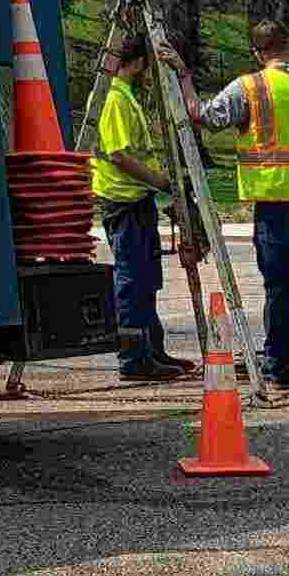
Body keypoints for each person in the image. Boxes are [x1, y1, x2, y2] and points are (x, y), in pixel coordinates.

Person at [157, 20, 289, 396]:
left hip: (274, 208)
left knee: (278, 291)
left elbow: (201, 114)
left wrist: (183, 74)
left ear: (257, 53)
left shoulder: (250, 87)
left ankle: (277, 369)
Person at [87, 31, 193, 382]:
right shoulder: (116, 99)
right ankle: (133, 357)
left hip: (137, 197)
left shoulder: (127, 96)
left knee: (147, 279)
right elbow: (118, 154)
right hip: (123, 200)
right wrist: (159, 182)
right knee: (132, 281)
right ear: (139, 62)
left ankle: (153, 350)